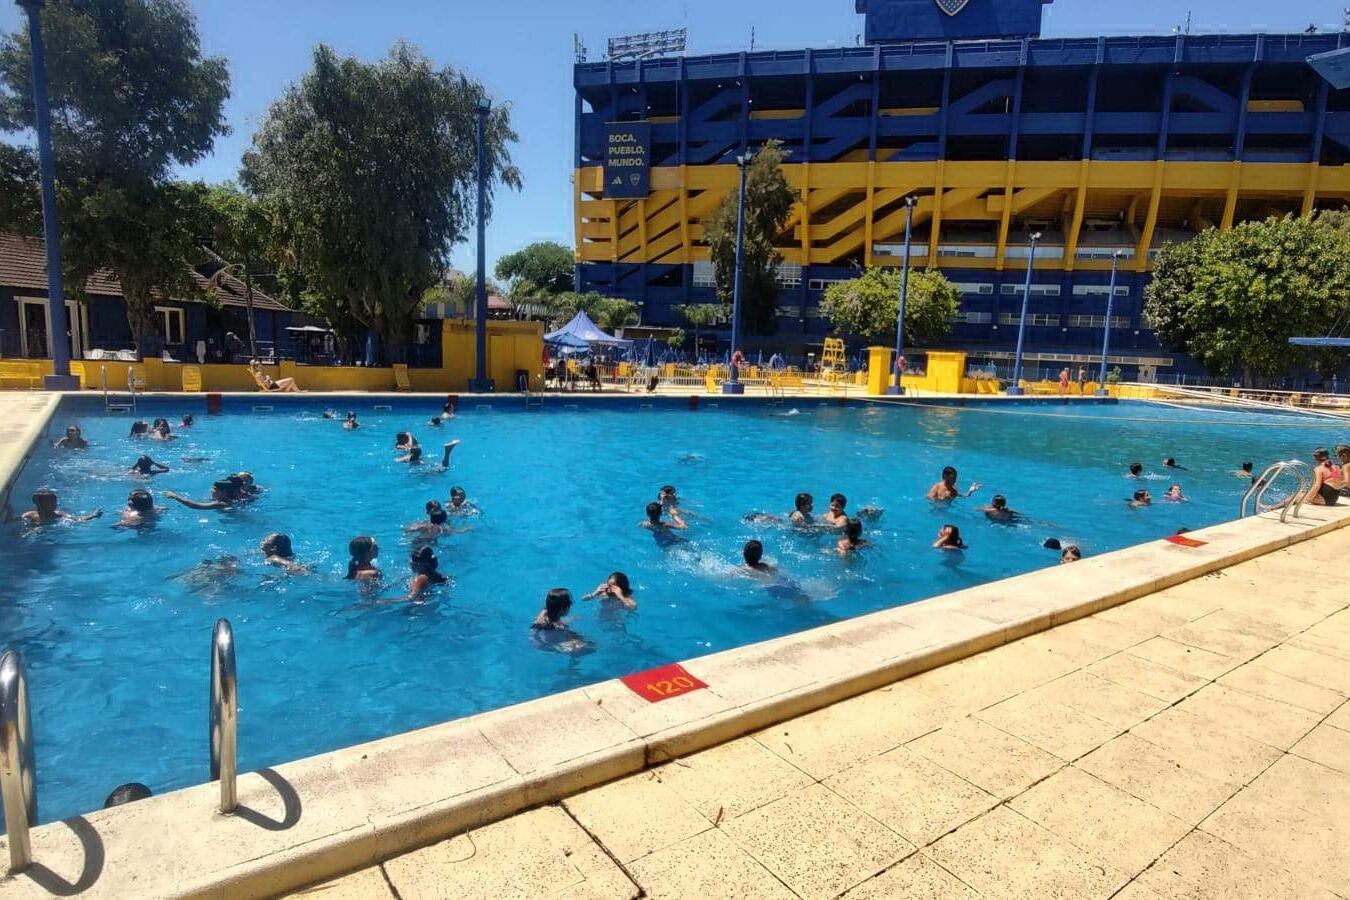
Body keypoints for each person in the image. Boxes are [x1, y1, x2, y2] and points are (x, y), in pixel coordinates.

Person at [531, 588, 591, 654]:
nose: (570, 606)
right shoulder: (555, 627)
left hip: (543, 639)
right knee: (589, 647)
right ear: (563, 609)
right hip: (551, 641)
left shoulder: (546, 612)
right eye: (569, 604)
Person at [21, 489, 101, 528]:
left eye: (55, 503)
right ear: (40, 504)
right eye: (52, 504)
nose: (55, 505)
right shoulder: (29, 515)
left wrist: (92, 515)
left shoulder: (58, 515)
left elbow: (77, 519)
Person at [163, 477, 246, 511]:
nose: (212, 491)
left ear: (223, 492)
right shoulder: (234, 499)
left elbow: (196, 506)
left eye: (215, 490)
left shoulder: (221, 504)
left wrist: (175, 496)